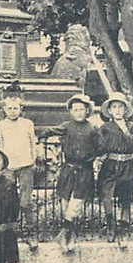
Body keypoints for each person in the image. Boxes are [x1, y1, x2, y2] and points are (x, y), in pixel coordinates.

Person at [43, 93, 99, 253]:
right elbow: (49, 132)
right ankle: (71, 235)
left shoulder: (93, 128)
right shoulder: (66, 126)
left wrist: (91, 156)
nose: (78, 113)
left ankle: (63, 232)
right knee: (65, 202)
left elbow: (101, 146)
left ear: (87, 110)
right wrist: (42, 141)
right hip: (67, 169)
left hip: (84, 170)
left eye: (81, 109)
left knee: (77, 202)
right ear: (71, 111)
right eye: (75, 110)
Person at [0, 92, 39, 252]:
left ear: (21, 108)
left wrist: (33, 160)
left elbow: (32, 142)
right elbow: (1, 144)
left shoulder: (27, 123)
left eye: (16, 108)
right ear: (4, 109)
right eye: (10, 108)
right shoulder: (1, 125)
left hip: (26, 165)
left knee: (26, 200)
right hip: (9, 166)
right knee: (8, 199)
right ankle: (10, 232)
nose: (13, 111)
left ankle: (30, 232)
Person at [97, 92, 133, 243]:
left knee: (126, 197)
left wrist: (125, 131)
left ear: (125, 110)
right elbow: (100, 146)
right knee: (106, 195)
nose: (117, 110)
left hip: (128, 164)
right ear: (109, 110)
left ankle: (123, 226)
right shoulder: (105, 127)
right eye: (114, 107)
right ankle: (110, 224)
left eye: (120, 107)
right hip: (110, 165)